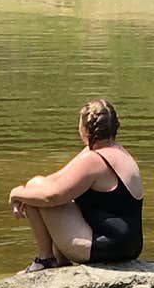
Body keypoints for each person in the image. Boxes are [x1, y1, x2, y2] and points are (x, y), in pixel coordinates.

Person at [8, 96, 146, 270]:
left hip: (105, 247)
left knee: (38, 189)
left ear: (85, 129)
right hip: (130, 246)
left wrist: (16, 193)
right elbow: (57, 179)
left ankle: (45, 259)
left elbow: (52, 196)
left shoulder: (94, 160)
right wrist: (25, 192)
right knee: (37, 185)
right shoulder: (115, 151)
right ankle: (59, 261)